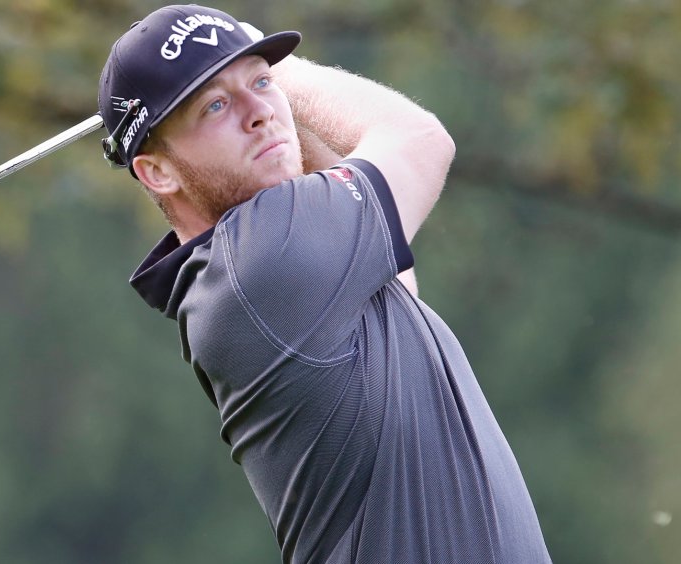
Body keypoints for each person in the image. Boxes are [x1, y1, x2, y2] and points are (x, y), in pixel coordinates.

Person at [98, 5, 551, 563]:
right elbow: (420, 139)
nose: (260, 112)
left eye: (261, 83)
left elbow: (398, 280)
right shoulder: (263, 259)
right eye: (215, 105)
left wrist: (259, 94)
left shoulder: (267, 269)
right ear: (158, 171)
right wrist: (280, 70)